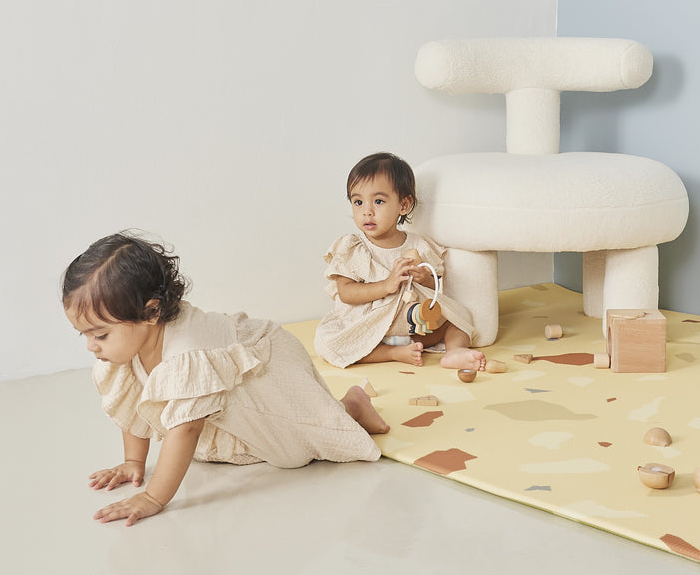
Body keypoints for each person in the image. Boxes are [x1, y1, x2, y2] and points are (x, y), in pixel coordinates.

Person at [63, 232, 388, 526]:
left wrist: (153, 497)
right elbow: (136, 400)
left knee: (294, 452)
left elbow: (186, 428)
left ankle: (349, 407)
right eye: (84, 335)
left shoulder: (186, 354)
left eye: (100, 335)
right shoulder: (130, 347)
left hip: (265, 366)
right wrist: (134, 461)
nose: (92, 346)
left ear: (151, 312)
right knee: (222, 444)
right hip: (228, 377)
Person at [314, 152, 486, 371]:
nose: (367, 211)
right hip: (371, 327)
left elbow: (438, 286)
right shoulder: (353, 246)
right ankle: (392, 353)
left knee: (459, 318)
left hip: (415, 326)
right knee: (326, 342)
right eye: (358, 202)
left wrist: (425, 278)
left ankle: (455, 352)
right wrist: (386, 285)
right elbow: (346, 292)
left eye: (378, 201)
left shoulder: (420, 244)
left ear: (404, 205)